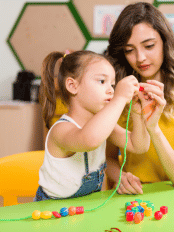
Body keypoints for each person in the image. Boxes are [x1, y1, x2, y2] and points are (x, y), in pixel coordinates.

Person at [105, 2, 174, 194]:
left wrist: (153, 128)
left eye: (149, 46)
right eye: (129, 50)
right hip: (133, 196)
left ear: (165, 42)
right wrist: (119, 176)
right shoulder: (118, 93)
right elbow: (108, 158)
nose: (140, 58)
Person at [35, 50, 150, 201]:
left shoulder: (102, 125)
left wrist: (137, 112)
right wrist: (120, 97)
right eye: (102, 81)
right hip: (51, 211)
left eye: (113, 84)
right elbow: (89, 140)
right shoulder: (61, 130)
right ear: (72, 85)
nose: (111, 90)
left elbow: (139, 145)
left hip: (84, 207)